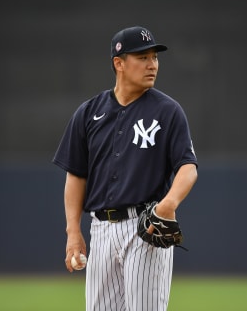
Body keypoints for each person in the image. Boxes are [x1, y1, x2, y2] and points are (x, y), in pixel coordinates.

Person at [52, 25, 198, 311]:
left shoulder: (167, 111)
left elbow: (188, 167)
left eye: (154, 57)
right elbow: (76, 175)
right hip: (101, 230)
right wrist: (73, 232)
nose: (152, 64)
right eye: (142, 57)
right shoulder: (89, 112)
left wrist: (168, 204)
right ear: (119, 63)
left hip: (146, 227)